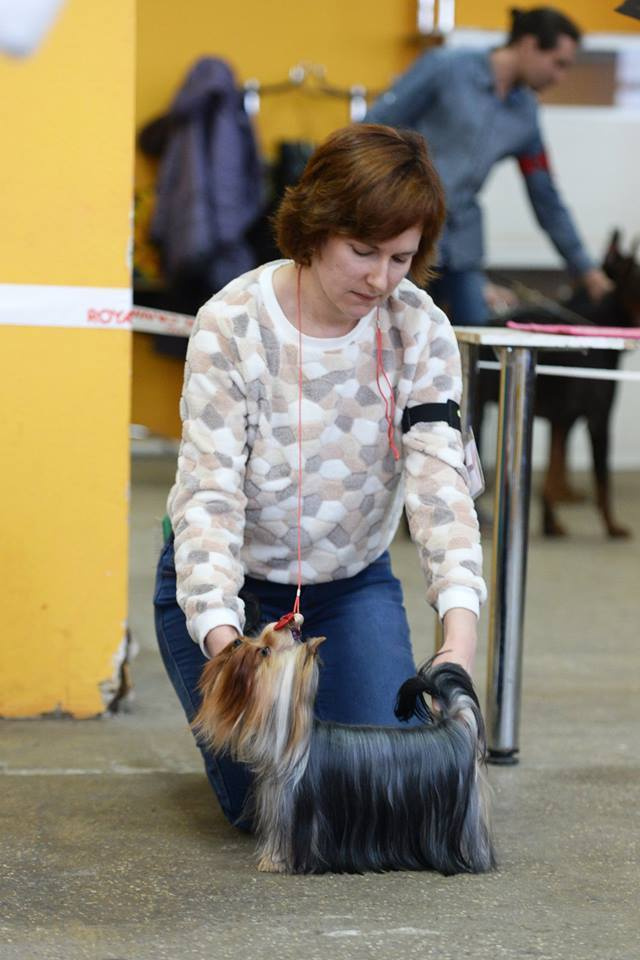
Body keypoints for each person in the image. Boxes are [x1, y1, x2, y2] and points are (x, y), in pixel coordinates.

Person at [153, 123, 487, 827]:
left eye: (401, 258)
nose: (380, 278)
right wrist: (230, 648)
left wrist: (457, 639)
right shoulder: (230, 324)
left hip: (351, 584)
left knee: (384, 797)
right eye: (362, 251)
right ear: (315, 228)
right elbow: (208, 498)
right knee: (277, 808)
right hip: (234, 595)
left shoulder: (420, 329)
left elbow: (440, 485)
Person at [365, 6, 612, 326]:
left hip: (463, 247)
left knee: (481, 345)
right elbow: (372, 129)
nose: (559, 77)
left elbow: (545, 197)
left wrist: (586, 270)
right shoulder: (445, 68)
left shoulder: (525, 116)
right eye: (558, 63)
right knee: (398, 332)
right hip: (407, 230)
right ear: (528, 44)